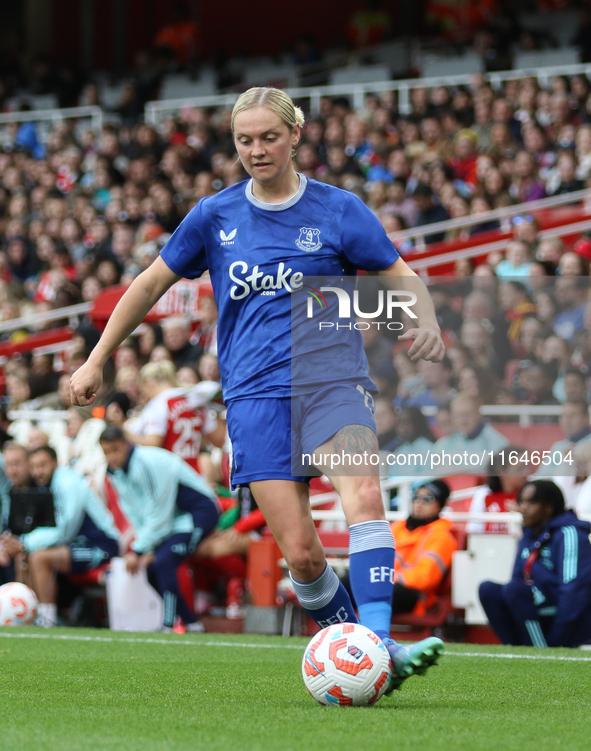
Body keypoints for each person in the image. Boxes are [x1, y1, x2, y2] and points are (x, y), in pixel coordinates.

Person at [71, 87, 446, 690]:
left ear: (295, 135)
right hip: (254, 400)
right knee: (301, 555)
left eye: (269, 137)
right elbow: (146, 285)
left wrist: (421, 318)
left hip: (333, 384)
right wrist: (96, 360)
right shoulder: (214, 215)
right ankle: (370, 656)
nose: (256, 149)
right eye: (245, 140)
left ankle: (378, 643)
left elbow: (398, 273)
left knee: (366, 505)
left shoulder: (338, 209)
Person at [99, 426, 220, 632]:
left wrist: (139, 549)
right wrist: (144, 547)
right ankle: (192, 622)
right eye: (107, 452)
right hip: (174, 520)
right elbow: (136, 513)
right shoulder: (114, 473)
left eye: (115, 450)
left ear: (127, 445)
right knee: (151, 567)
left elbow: (159, 512)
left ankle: (169, 624)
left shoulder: (149, 463)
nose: (111, 457)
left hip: (198, 515)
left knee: (164, 561)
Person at [0, 446, 119, 627]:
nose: (38, 471)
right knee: (28, 555)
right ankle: (31, 614)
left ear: (55, 463)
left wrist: (24, 542)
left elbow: (65, 530)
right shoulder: (47, 485)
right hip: (76, 545)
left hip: (101, 545)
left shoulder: (67, 482)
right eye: (34, 467)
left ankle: (47, 619)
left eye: (43, 465)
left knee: (40, 557)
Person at [479, 480, 591, 647]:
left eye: (531, 502)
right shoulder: (529, 535)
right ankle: (516, 650)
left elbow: (574, 591)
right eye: (521, 502)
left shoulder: (570, 534)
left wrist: (558, 638)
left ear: (548, 507)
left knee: (515, 590)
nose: (523, 508)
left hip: (568, 618)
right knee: (488, 589)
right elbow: (517, 578)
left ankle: (541, 651)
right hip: (536, 605)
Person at [122, 360, 225, 470]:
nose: (144, 395)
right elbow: (219, 441)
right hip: (195, 472)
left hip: (169, 473)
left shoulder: (158, 404)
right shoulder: (195, 401)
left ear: (149, 383)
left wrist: (123, 431)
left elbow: (153, 444)